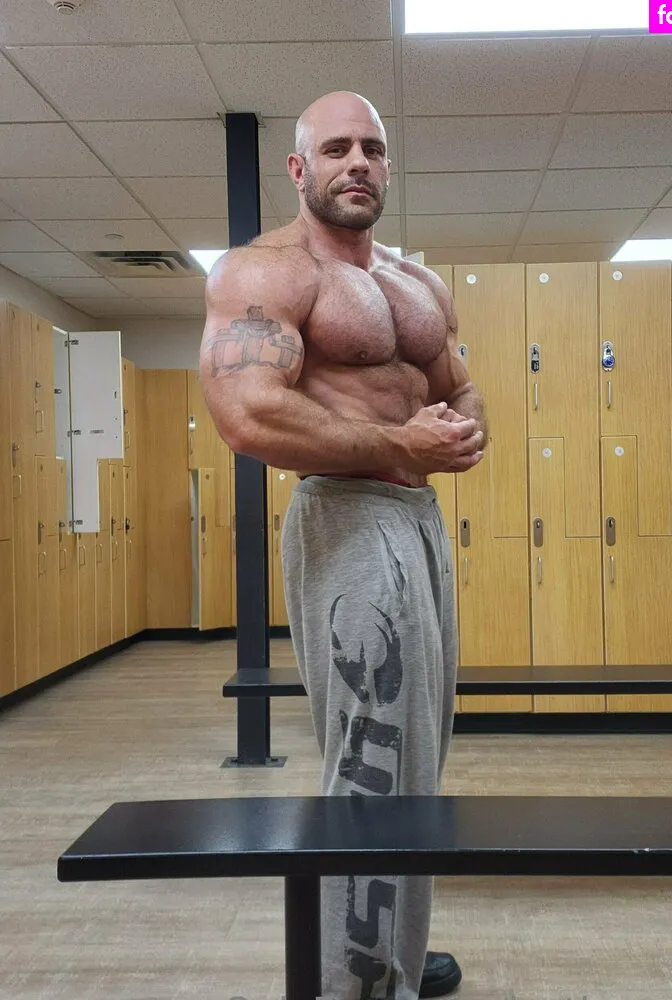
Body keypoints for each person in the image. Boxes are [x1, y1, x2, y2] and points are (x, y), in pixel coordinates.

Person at [200, 90, 487, 1000]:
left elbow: (456, 384)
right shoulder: (268, 272)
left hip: (419, 521)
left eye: (372, 147)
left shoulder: (415, 282)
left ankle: (393, 946)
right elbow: (247, 413)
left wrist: (464, 427)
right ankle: (355, 982)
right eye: (335, 148)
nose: (357, 161)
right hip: (347, 514)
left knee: (419, 754)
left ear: (388, 165)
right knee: (372, 759)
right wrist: (400, 443)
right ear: (299, 169)